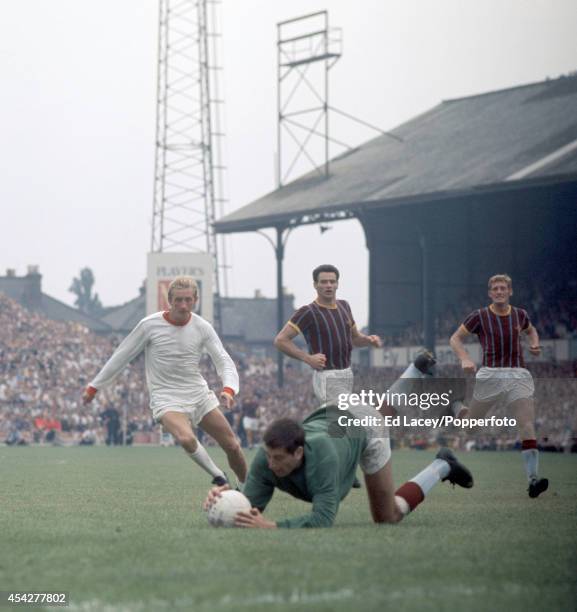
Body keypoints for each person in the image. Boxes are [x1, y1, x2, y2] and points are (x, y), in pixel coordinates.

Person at [82, 276, 247, 486]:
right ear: (169, 299)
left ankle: (246, 490)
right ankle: (219, 476)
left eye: (188, 300)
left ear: (195, 300)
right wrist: (94, 386)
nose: (183, 305)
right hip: (166, 397)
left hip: (198, 394)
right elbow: (122, 355)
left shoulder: (202, 327)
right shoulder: (149, 325)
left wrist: (229, 389)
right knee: (186, 439)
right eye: (178, 300)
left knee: (233, 446)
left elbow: (223, 359)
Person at [204, 405, 473, 528]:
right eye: (269, 456)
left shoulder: (323, 458)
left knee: (387, 517)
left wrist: (273, 526)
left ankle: (441, 466)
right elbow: (250, 507)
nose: (270, 464)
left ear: (298, 453)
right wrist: (225, 500)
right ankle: (415, 370)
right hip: (332, 415)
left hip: (365, 427)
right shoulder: (267, 457)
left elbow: (322, 519)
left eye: (278, 458)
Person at [449, 274, 548, 498]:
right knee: (471, 427)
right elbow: (455, 339)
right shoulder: (480, 316)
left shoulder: (520, 315)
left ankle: (533, 480)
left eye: (503, 288)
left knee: (526, 425)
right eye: (495, 288)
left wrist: (534, 343)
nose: (500, 291)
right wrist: (464, 358)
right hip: (490, 374)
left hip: (518, 373)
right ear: (490, 293)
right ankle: (457, 408)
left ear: (510, 291)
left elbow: (531, 330)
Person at [274, 264, 383, 405]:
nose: (328, 285)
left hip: (346, 373)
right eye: (324, 282)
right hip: (326, 375)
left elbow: (355, 339)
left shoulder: (345, 306)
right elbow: (280, 340)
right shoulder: (308, 312)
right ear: (315, 285)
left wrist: (369, 340)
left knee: (339, 423)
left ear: (337, 284)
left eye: (332, 281)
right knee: (355, 416)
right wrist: (307, 358)